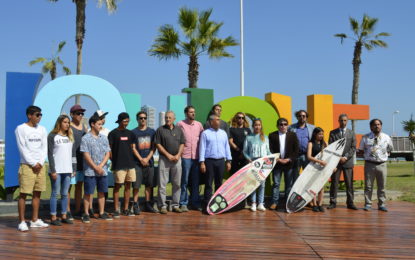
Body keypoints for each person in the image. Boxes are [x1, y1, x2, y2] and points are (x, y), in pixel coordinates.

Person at [15, 105, 49, 231]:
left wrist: (40, 162)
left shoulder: (42, 129)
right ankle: (22, 221)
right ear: (30, 115)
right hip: (27, 166)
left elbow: (44, 147)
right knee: (23, 193)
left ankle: (34, 220)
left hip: (40, 166)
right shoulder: (21, 129)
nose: (39, 117)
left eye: (41, 115)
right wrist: (32, 163)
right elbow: (22, 148)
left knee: (37, 193)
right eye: (37, 115)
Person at [80, 115, 112, 223]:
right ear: (92, 124)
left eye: (101, 124)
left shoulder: (104, 138)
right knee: (88, 192)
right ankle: (86, 213)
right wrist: (95, 167)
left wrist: (101, 165)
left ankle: (102, 212)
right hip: (90, 170)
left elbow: (108, 153)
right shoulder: (85, 138)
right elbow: (86, 154)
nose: (101, 126)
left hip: (102, 170)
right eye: (99, 124)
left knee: (102, 192)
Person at [358, 119, 393, 212]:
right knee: (368, 186)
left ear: (381, 126)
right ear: (371, 127)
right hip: (369, 164)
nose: (377, 126)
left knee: (382, 186)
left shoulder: (386, 137)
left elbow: (390, 149)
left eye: (378, 124)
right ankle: (368, 204)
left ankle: (381, 204)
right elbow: (360, 150)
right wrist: (368, 155)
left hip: (382, 164)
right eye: (374, 125)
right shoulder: (365, 137)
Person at [47, 115, 76, 226]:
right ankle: (53, 217)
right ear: (59, 123)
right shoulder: (52, 136)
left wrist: (73, 168)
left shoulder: (69, 137)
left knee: (65, 194)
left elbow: (73, 155)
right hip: (56, 171)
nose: (67, 124)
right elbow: (49, 154)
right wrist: (53, 170)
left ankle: (64, 215)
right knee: (55, 193)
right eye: (65, 122)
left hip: (67, 170)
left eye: (68, 122)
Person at [154, 111, 185, 214]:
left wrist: (177, 155)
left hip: (177, 160)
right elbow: (158, 144)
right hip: (164, 160)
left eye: (169, 117)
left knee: (177, 184)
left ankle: (175, 205)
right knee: (162, 184)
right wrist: (168, 155)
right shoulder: (160, 130)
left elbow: (182, 144)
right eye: (166, 117)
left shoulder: (179, 130)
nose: (167, 119)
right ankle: (162, 206)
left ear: (174, 118)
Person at [199, 114, 232, 212]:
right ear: (211, 122)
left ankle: (218, 206)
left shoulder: (223, 133)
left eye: (219, 119)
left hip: (221, 161)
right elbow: (202, 148)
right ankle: (207, 206)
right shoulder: (205, 133)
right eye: (217, 120)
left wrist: (229, 161)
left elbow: (227, 148)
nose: (219, 121)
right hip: (209, 161)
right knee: (208, 184)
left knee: (219, 184)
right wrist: (202, 162)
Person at [108, 112, 137, 217]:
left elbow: (133, 148)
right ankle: (116, 209)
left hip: (130, 164)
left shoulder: (131, 134)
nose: (126, 123)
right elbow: (109, 150)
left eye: (128, 121)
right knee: (117, 187)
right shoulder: (113, 133)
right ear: (119, 121)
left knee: (128, 186)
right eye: (124, 121)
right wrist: (114, 160)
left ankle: (125, 209)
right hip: (118, 165)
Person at [328, 114, 358, 210]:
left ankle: (350, 202)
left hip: (347, 162)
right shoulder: (333, 133)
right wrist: (338, 157)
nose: (343, 122)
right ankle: (332, 202)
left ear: (347, 121)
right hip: (335, 163)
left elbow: (353, 147)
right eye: (341, 120)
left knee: (349, 184)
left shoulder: (352, 133)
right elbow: (331, 146)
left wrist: (345, 157)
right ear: (338, 120)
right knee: (334, 183)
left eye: (345, 120)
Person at [268, 117, 299, 211]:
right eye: (281, 124)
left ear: (287, 126)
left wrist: (289, 159)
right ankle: (274, 202)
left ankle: (287, 203)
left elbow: (296, 149)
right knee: (276, 184)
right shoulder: (272, 135)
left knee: (288, 184)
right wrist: (277, 159)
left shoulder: (292, 135)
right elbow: (270, 149)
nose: (283, 126)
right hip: (277, 164)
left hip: (289, 164)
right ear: (277, 126)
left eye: (285, 124)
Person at [177, 106, 204, 212]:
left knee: (196, 182)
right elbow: (177, 139)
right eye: (191, 112)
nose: (193, 114)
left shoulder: (199, 125)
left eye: (194, 112)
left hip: (196, 157)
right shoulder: (180, 124)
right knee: (184, 181)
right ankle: (183, 203)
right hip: (185, 157)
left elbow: (203, 139)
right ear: (186, 113)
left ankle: (195, 203)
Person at [131, 111, 158, 214]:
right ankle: (135, 204)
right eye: (141, 118)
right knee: (136, 185)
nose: (143, 120)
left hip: (149, 162)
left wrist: (147, 159)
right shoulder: (133, 132)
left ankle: (148, 204)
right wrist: (141, 159)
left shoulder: (152, 132)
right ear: (137, 119)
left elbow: (153, 147)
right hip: (137, 163)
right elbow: (133, 148)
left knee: (149, 185)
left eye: (144, 118)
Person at [243, 118, 271, 212]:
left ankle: (260, 203)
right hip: (253, 162)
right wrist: (249, 159)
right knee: (253, 183)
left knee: (262, 184)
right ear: (253, 126)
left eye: (259, 125)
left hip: (263, 163)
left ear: (261, 126)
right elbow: (245, 151)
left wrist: (274, 157)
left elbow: (268, 151)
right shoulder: (248, 137)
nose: (257, 127)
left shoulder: (265, 137)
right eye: (255, 125)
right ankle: (253, 203)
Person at [68, 104, 88, 219]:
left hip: (82, 161)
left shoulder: (84, 127)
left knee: (79, 185)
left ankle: (78, 209)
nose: (80, 115)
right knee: (69, 186)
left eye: (82, 113)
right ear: (72, 114)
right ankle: (68, 210)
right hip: (70, 161)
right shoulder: (68, 126)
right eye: (78, 113)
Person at [288, 110, 315, 183]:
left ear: (306, 117)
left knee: (308, 176)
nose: (302, 117)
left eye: (304, 116)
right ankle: (296, 193)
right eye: (300, 116)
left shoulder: (312, 128)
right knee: (295, 177)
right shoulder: (291, 127)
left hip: (307, 156)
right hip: (296, 156)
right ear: (297, 117)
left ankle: (307, 193)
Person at [306, 127, 327, 212]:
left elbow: (329, 154)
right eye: (319, 134)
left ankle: (320, 204)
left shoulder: (324, 143)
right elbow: (309, 156)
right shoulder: (311, 143)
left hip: (322, 168)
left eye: (322, 134)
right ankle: (314, 204)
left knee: (321, 187)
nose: (321, 136)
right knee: (313, 186)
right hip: (313, 167)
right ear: (315, 134)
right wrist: (319, 161)